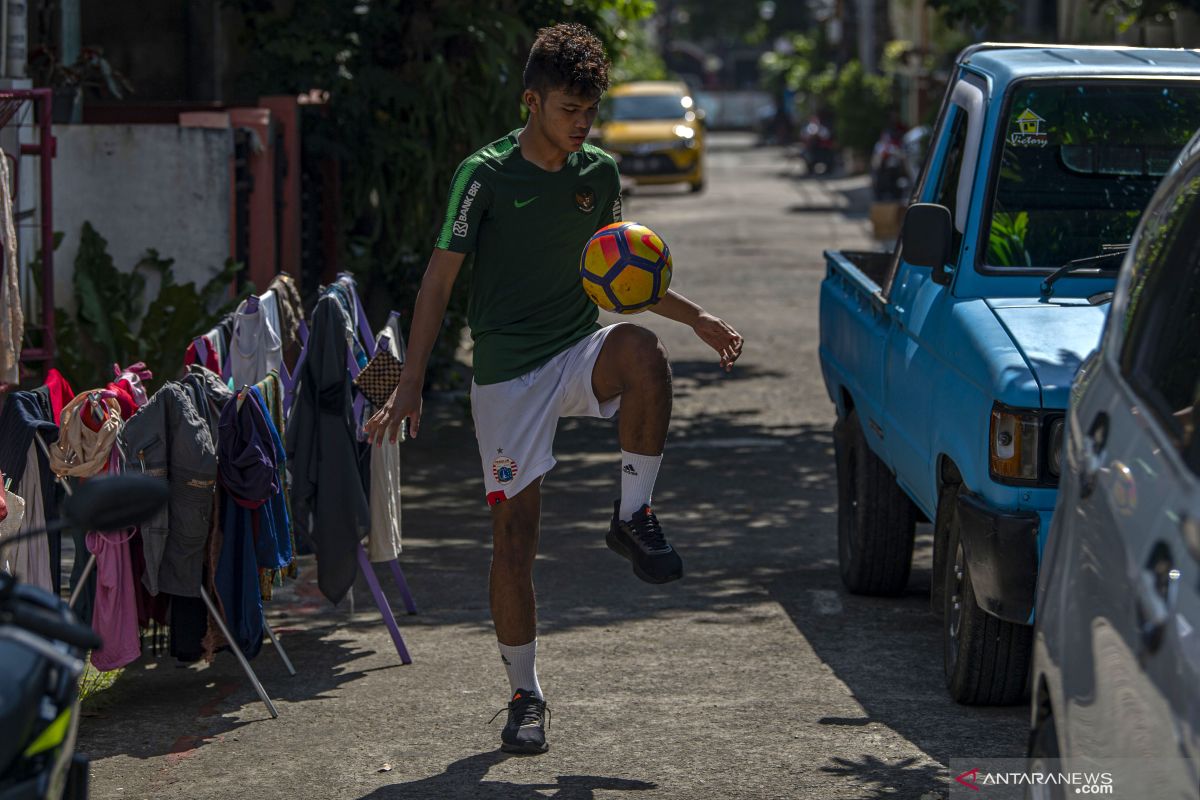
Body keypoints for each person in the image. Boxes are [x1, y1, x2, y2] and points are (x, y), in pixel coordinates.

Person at [363, 22, 743, 756]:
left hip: (577, 349)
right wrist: (409, 382)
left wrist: (697, 318)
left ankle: (633, 516)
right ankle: (525, 693)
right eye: (570, 110)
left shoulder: (597, 173)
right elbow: (439, 279)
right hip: (506, 373)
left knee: (642, 352)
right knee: (516, 540)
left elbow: (620, 273)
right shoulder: (485, 175)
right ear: (531, 101)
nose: (582, 125)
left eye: (590, 112)